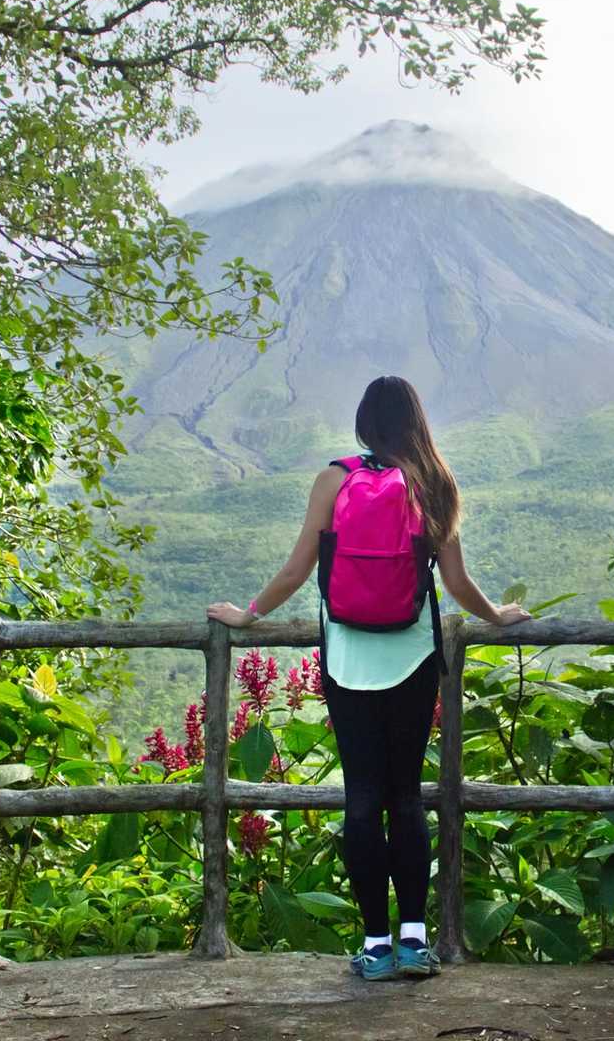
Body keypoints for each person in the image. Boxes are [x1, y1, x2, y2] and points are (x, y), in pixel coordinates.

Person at [208, 375, 532, 981]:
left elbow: (298, 568)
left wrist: (247, 615)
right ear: (416, 422)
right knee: (406, 797)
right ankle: (415, 941)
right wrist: (497, 616)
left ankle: (376, 946)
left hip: (346, 657)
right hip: (411, 656)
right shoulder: (435, 482)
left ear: (364, 423)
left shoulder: (334, 478)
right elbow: (457, 584)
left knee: (361, 800)